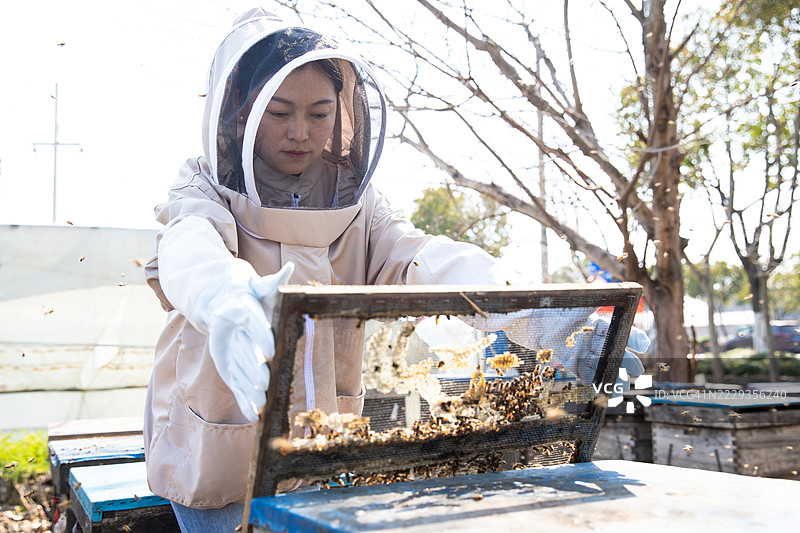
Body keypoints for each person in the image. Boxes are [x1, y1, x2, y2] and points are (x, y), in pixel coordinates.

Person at [143, 8, 648, 532]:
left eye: (320, 113)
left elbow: (422, 258)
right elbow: (190, 247)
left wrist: (545, 316)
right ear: (242, 110)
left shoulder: (356, 200)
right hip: (217, 448)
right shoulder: (202, 188)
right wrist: (221, 296)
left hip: (321, 449)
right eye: (279, 112)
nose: (300, 132)